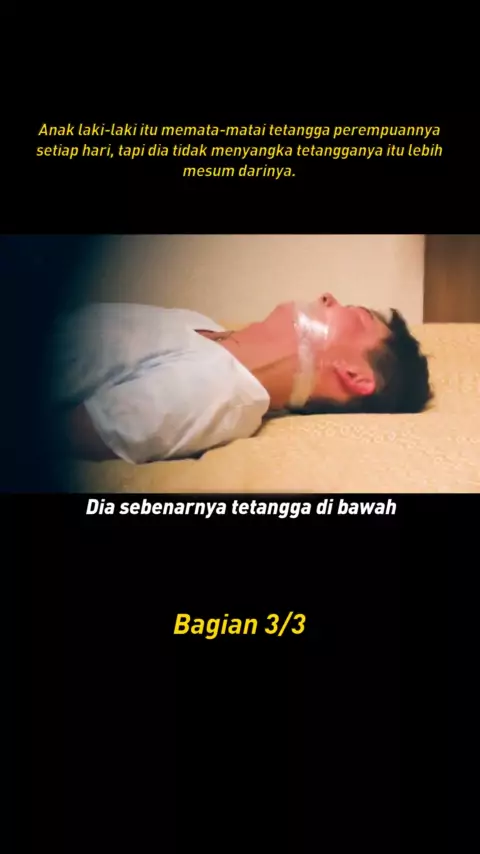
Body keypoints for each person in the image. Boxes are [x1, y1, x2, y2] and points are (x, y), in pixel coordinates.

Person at [50, 294, 433, 464]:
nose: (329, 297)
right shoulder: (198, 323)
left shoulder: (219, 391)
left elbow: (60, 435)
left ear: (355, 375)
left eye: (355, 315)